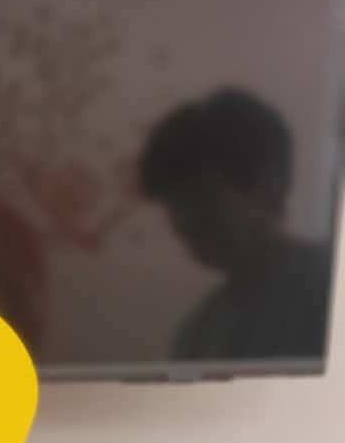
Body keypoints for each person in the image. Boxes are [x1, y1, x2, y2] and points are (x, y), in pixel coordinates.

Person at [139, 88, 333, 366]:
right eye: (174, 205)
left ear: (268, 185)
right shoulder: (196, 333)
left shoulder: (330, 288)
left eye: (199, 197)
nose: (183, 223)